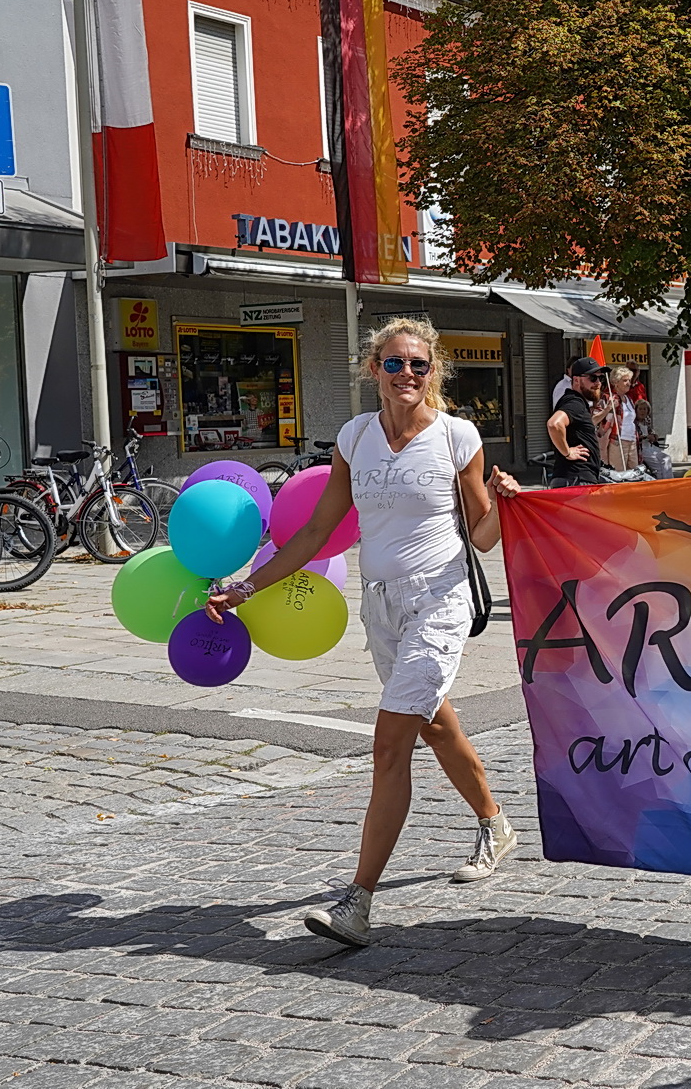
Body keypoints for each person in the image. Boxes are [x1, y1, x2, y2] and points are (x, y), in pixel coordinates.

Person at [207, 317, 523, 948]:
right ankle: (495, 821)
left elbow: (481, 536)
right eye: (395, 364)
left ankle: (358, 900)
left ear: (434, 373)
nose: (408, 374)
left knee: (389, 744)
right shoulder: (354, 438)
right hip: (380, 608)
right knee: (432, 722)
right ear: (372, 369)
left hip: (441, 601)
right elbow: (317, 532)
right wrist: (247, 586)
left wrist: (504, 501)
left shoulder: (458, 437)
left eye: (419, 365)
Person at [549, 356, 608, 487]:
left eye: (601, 378)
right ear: (576, 380)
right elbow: (554, 424)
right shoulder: (574, 402)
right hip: (576, 480)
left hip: (576, 479)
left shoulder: (578, 402)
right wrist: (568, 452)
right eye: (593, 378)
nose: (598, 383)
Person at [598, 365, 641, 473]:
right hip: (617, 441)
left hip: (632, 440)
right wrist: (609, 408)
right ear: (616, 382)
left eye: (629, 380)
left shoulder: (629, 399)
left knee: (634, 474)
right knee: (619, 473)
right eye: (625, 380)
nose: (628, 383)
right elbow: (599, 419)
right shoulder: (608, 398)